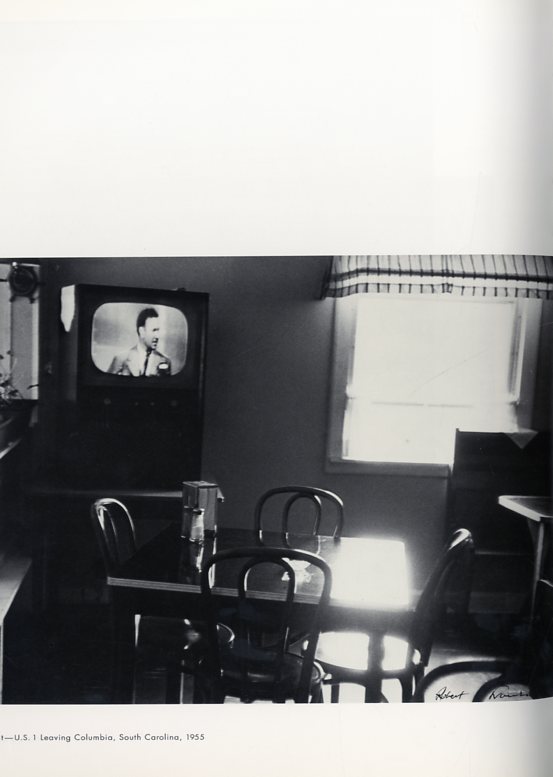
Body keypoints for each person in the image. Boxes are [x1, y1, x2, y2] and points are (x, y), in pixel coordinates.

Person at [108, 308, 172, 376]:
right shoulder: (121, 359)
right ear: (142, 332)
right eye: (154, 330)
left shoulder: (165, 361)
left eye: (158, 330)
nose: (157, 336)